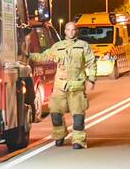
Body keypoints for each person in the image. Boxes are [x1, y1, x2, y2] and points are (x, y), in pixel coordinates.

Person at [29, 21, 97, 149]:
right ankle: (60, 135)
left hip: (77, 87)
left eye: (73, 30)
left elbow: (91, 63)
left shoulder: (83, 46)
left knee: (78, 117)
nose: (71, 32)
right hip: (60, 87)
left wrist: (91, 80)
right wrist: (27, 55)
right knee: (55, 114)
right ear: (65, 31)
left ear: (76, 31)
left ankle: (78, 140)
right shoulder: (57, 46)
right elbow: (43, 57)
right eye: (68, 30)